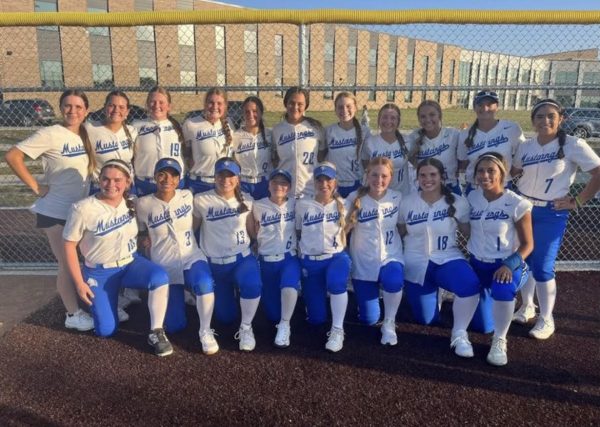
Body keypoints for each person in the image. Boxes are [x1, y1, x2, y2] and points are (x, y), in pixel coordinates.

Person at [5, 89, 95, 331]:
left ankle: (79, 304)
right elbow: (13, 156)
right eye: (68, 106)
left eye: (78, 107)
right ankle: (72, 314)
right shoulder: (51, 133)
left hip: (77, 211)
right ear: (60, 108)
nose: (72, 111)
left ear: (86, 111)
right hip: (54, 211)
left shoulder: (85, 134)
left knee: (80, 260)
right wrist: (36, 187)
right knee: (67, 264)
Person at [62, 159, 173, 356]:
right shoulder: (83, 208)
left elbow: (140, 227)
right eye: (105, 179)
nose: (111, 185)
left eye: (117, 180)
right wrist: (79, 283)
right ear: (99, 180)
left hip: (130, 263)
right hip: (99, 272)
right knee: (106, 330)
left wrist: (144, 237)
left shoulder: (131, 202)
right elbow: (69, 245)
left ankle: (156, 331)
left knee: (159, 277)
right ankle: (108, 303)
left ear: (128, 182)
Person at [511, 99, 600, 340]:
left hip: (552, 212)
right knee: (524, 260)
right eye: (540, 116)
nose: (545, 121)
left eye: (551, 116)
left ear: (561, 119)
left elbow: (598, 172)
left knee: (543, 266)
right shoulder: (526, 146)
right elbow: (515, 172)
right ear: (533, 120)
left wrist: (578, 200)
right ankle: (527, 305)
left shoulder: (573, 144)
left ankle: (547, 318)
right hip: (524, 208)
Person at [135, 158, 218, 355]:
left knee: (205, 283)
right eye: (162, 174)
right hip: (164, 264)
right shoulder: (143, 203)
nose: (167, 179)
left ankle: (205, 330)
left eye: (173, 175)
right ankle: (183, 294)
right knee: (174, 326)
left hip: (191, 257)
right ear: (154, 176)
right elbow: (138, 232)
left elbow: (198, 220)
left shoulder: (187, 196)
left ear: (179, 178)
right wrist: (144, 238)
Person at [399, 158, 480, 358]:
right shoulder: (407, 202)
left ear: (442, 176)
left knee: (469, 285)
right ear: (416, 177)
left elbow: (471, 231)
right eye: (423, 175)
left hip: (447, 258)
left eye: (433, 175)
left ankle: (459, 333)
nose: (428, 179)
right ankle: (437, 293)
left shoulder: (458, 201)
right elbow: (400, 231)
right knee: (426, 319)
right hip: (416, 263)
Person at [467, 152, 533, 365]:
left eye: (491, 170)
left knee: (503, 288)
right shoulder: (472, 198)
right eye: (480, 171)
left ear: (502, 174)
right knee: (482, 325)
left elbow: (528, 244)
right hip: (478, 263)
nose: (485, 175)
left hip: (505, 265)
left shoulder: (517, 203)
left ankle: (500, 340)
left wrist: (509, 264)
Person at [193, 157, 262, 351]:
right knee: (225, 317)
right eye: (221, 175)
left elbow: (252, 232)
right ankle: (231, 298)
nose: (225, 180)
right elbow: (191, 230)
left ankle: (246, 327)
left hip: (241, 259)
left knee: (252, 284)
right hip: (214, 263)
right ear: (214, 177)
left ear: (238, 179)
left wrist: (260, 233)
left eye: (230, 176)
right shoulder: (201, 199)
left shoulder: (247, 199)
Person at [345, 157, 404, 346]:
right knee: (369, 320)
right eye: (374, 175)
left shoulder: (397, 198)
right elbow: (342, 230)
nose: (379, 180)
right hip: (363, 261)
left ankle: (389, 323)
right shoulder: (355, 197)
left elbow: (402, 228)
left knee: (394, 279)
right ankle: (374, 305)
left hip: (390, 255)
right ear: (367, 175)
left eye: (384, 176)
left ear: (391, 177)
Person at [295, 162, 350, 352]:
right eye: (320, 180)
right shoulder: (302, 204)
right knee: (316, 319)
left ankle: (337, 329)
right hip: (311, 262)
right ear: (314, 181)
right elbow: (298, 231)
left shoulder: (344, 203)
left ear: (335, 182)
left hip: (336, 257)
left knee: (336, 283)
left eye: (328, 180)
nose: (324, 184)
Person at [250, 168, 300, 348]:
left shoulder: (296, 204)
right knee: (272, 314)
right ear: (269, 185)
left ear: (290, 187)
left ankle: (286, 324)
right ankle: (280, 318)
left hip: (289, 257)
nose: (280, 186)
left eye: (284, 183)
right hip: (266, 260)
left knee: (289, 285)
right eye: (275, 182)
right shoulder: (256, 205)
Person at [458, 90, 525, 194]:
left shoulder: (511, 128)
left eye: (490, 104)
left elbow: (522, 155)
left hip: (503, 187)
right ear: (474, 107)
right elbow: (463, 164)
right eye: (480, 105)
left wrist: (511, 173)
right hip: (475, 188)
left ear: (497, 107)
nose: (485, 108)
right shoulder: (465, 134)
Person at [132, 86, 186, 197]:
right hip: (146, 184)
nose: (157, 106)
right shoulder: (136, 126)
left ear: (169, 106)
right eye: (152, 102)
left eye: (161, 102)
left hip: (174, 183)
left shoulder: (179, 127)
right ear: (147, 104)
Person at [272, 86, 325, 198]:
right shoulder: (277, 130)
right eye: (291, 103)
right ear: (286, 103)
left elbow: (322, 155)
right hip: (285, 191)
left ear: (306, 105)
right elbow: (275, 159)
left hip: (310, 189)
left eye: (300, 104)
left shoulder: (315, 128)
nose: (295, 107)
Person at [183, 87, 235, 194]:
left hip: (224, 184)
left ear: (225, 106)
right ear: (205, 104)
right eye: (211, 102)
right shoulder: (191, 124)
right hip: (199, 183)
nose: (215, 107)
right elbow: (184, 152)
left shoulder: (229, 124)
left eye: (219, 103)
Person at [319, 91, 370, 198]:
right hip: (334, 184)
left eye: (348, 106)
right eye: (340, 107)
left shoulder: (364, 131)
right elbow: (320, 158)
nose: (344, 110)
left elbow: (367, 162)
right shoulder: (328, 131)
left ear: (355, 108)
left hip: (357, 184)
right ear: (335, 110)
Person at [85, 90, 137, 195]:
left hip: (127, 187)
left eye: (121, 107)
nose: (116, 110)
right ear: (104, 108)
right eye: (112, 106)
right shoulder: (90, 128)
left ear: (127, 111)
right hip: (101, 187)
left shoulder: (132, 131)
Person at [406, 100, 461, 195]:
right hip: (426, 188)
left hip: (450, 187)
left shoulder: (453, 135)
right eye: (423, 116)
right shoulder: (413, 138)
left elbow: (463, 159)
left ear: (439, 115)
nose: (427, 120)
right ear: (419, 119)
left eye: (432, 115)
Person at [361, 103, 411, 195]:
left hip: (401, 194)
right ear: (379, 119)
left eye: (393, 118)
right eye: (384, 117)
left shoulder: (408, 141)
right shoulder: (370, 142)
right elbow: (365, 164)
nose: (388, 121)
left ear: (398, 122)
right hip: (377, 193)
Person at [232, 96, 272, 199]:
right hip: (244, 184)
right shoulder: (236, 136)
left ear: (261, 113)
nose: (250, 115)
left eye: (255, 111)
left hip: (265, 184)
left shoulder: (270, 135)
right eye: (247, 112)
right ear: (243, 114)